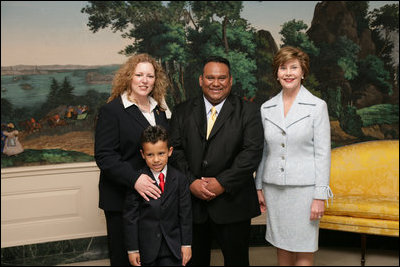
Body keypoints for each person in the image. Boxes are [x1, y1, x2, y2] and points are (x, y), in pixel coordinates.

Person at [169, 56, 264, 266]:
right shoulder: (182, 111)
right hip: (191, 205)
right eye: (210, 77)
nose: (216, 83)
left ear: (230, 80)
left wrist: (222, 183)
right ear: (201, 80)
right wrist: (191, 182)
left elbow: (252, 153)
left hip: (233, 203)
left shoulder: (249, 111)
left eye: (222, 78)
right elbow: (174, 151)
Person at [255, 46, 333, 266]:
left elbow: (323, 154)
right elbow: (264, 150)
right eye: (283, 68)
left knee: (304, 247)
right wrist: (258, 185)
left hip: (305, 191)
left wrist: (319, 195)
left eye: (293, 67)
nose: (288, 73)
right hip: (274, 188)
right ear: (277, 73)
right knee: (282, 245)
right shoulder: (266, 108)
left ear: (303, 72)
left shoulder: (317, 107)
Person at [95, 53, 170, 266]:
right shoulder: (112, 110)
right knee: (125, 259)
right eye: (139, 74)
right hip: (121, 199)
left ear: (156, 80)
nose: (144, 80)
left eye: (150, 75)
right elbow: (104, 156)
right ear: (129, 77)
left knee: (151, 257)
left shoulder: (160, 109)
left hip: (153, 200)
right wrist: (135, 179)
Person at [123, 125, 192, 266]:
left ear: (170, 151)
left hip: (173, 247)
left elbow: (185, 215)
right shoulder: (138, 181)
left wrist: (186, 244)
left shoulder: (180, 179)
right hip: (146, 249)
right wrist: (132, 249)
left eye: (161, 153)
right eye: (150, 155)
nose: (156, 160)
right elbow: (131, 217)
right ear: (142, 154)